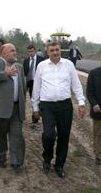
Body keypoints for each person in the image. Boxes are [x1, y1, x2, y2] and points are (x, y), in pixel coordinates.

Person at [31, 41, 86, 178]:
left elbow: (76, 85)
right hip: (47, 106)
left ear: (60, 50)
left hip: (65, 106)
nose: (55, 52)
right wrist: (35, 108)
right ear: (47, 52)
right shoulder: (41, 66)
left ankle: (59, 165)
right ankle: (47, 158)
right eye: (52, 50)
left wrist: (81, 102)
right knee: (48, 135)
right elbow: (36, 88)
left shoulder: (69, 65)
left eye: (57, 50)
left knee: (63, 137)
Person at [0, 43, 26, 173]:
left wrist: (22, 103)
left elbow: (23, 87)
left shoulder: (19, 67)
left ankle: (16, 162)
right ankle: (1, 158)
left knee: (17, 136)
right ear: (4, 53)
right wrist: (5, 73)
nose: (15, 52)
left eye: (15, 50)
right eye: (12, 50)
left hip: (16, 108)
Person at [23, 44, 45, 124]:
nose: (30, 53)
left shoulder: (41, 60)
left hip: (40, 83)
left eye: (32, 51)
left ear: (35, 51)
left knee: (40, 99)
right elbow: (24, 73)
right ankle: (35, 117)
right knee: (33, 99)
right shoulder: (26, 61)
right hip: (30, 83)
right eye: (29, 52)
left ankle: (40, 114)